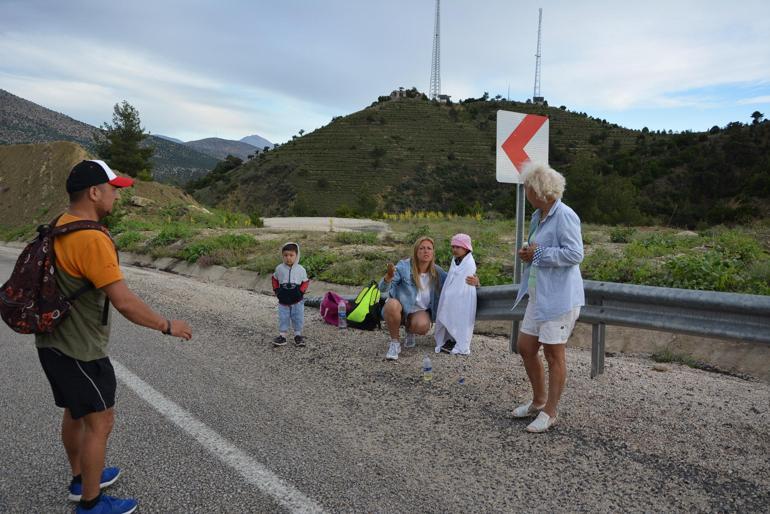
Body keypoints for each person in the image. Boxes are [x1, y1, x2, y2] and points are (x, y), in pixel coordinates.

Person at [35, 160, 193, 514]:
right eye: (112, 189)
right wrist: (167, 325)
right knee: (101, 420)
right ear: (94, 192)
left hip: (52, 342)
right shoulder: (91, 238)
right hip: (81, 349)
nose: (117, 196)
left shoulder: (60, 224)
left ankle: (80, 479)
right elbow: (124, 302)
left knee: (75, 411)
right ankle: (91, 503)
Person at [511, 163, 584, 433]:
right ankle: (539, 401)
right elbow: (539, 249)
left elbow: (575, 254)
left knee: (554, 354)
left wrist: (539, 254)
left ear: (539, 190)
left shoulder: (564, 215)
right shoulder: (538, 215)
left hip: (559, 298)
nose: (526, 192)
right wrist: (530, 253)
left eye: (528, 187)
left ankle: (550, 412)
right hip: (538, 294)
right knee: (526, 347)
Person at [379, 236, 479, 360]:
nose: (425, 251)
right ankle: (395, 343)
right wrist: (388, 277)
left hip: (419, 311)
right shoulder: (404, 267)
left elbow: (454, 282)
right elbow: (383, 289)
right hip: (401, 309)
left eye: (429, 248)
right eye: (422, 248)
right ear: (416, 251)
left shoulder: (437, 272)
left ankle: (410, 331)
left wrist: (476, 282)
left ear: (433, 252)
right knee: (391, 305)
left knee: (422, 325)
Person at [434, 233, 478, 355]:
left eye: (458, 247)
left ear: (466, 248)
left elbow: (464, 279)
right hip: (453, 295)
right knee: (451, 314)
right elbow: (452, 277)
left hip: (463, 295)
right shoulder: (455, 261)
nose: (454, 249)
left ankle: (459, 342)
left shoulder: (468, 263)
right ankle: (449, 339)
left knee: (461, 317)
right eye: (453, 247)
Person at [271, 242, 309, 347]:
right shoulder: (279, 268)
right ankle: (282, 336)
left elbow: (305, 282)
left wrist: (301, 292)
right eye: (285, 255)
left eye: (291, 255)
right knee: (283, 317)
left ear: (297, 255)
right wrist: (276, 290)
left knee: (298, 317)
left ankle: (298, 336)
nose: (288, 258)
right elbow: (274, 278)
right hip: (283, 299)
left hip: (297, 299)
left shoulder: (301, 269)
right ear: (282, 256)